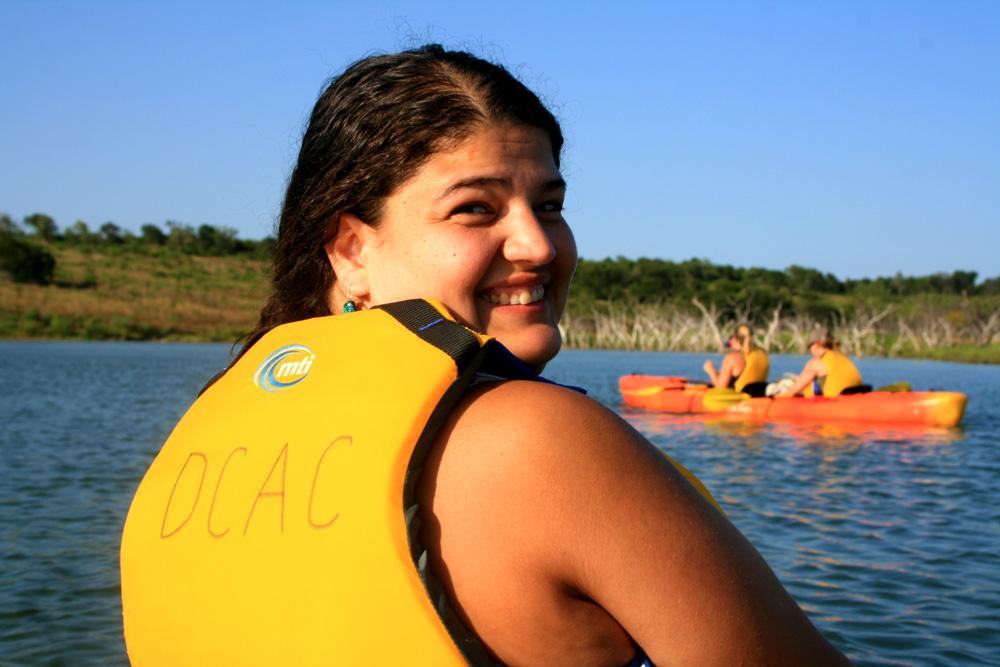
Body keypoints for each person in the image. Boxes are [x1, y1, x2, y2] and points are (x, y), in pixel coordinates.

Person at [120, 45, 850, 666]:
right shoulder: (539, 441)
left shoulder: (197, 443)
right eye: (475, 206)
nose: (538, 244)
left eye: (551, 205)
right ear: (350, 250)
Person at [778, 335, 867, 397]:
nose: (810, 350)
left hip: (834, 404)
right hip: (855, 396)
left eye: (809, 346)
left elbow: (792, 392)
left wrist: (773, 398)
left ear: (815, 345)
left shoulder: (815, 363)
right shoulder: (843, 357)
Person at [702, 323, 770, 397]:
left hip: (738, 398)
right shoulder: (762, 353)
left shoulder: (733, 358)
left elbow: (720, 388)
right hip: (759, 396)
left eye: (730, 338)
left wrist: (711, 371)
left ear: (734, 338)